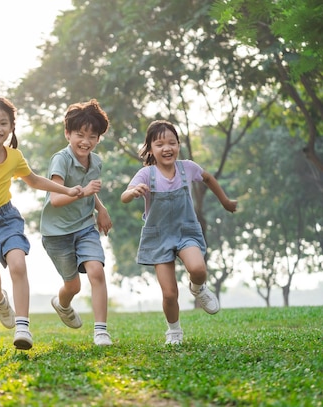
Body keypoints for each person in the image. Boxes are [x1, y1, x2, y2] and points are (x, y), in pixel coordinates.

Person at [0, 97, 83, 350]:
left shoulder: (14, 156)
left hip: (6, 219)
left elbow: (33, 180)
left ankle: (23, 326)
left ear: (12, 126)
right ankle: (1, 302)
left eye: (3, 123)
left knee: (18, 264)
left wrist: (66, 190)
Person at [120, 119, 237, 345]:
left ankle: (198, 288)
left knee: (198, 268)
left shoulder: (187, 168)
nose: (167, 148)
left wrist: (225, 201)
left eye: (172, 142)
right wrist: (134, 191)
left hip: (185, 231)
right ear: (150, 149)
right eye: (160, 144)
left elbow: (209, 178)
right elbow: (124, 196)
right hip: (158, 236)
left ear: (178, 145)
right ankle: (174, 330)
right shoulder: (147, 174)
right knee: (170, 293)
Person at [40, 99, 114, 346]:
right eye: (80, 134)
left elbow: (91, 191)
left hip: (84, 227)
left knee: (96, 271)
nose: (86, 141)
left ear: (98, 139)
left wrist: (101, 209)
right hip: (57, 233)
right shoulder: (61, 159)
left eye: (92, 136)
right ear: (67, 133)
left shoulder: (96, 162)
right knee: (73, 285)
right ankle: (62, 304)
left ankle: (101, 331)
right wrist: (83, 192)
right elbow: (56, 199)